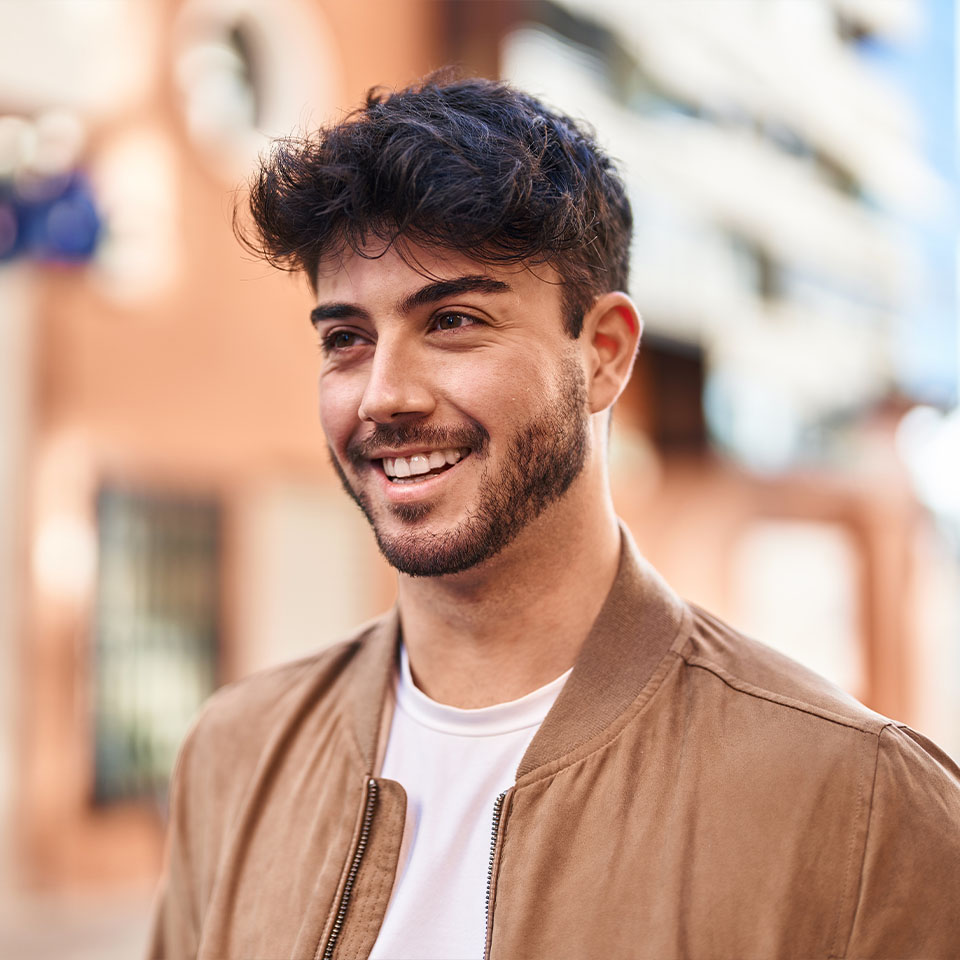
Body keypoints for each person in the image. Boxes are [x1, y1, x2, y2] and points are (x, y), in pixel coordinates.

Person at [148, 72, 960, 960]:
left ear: (604, 355)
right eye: (346, 338)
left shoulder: (861, 803)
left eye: (453, 320)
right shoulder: (237, 753)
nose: (383, 396)